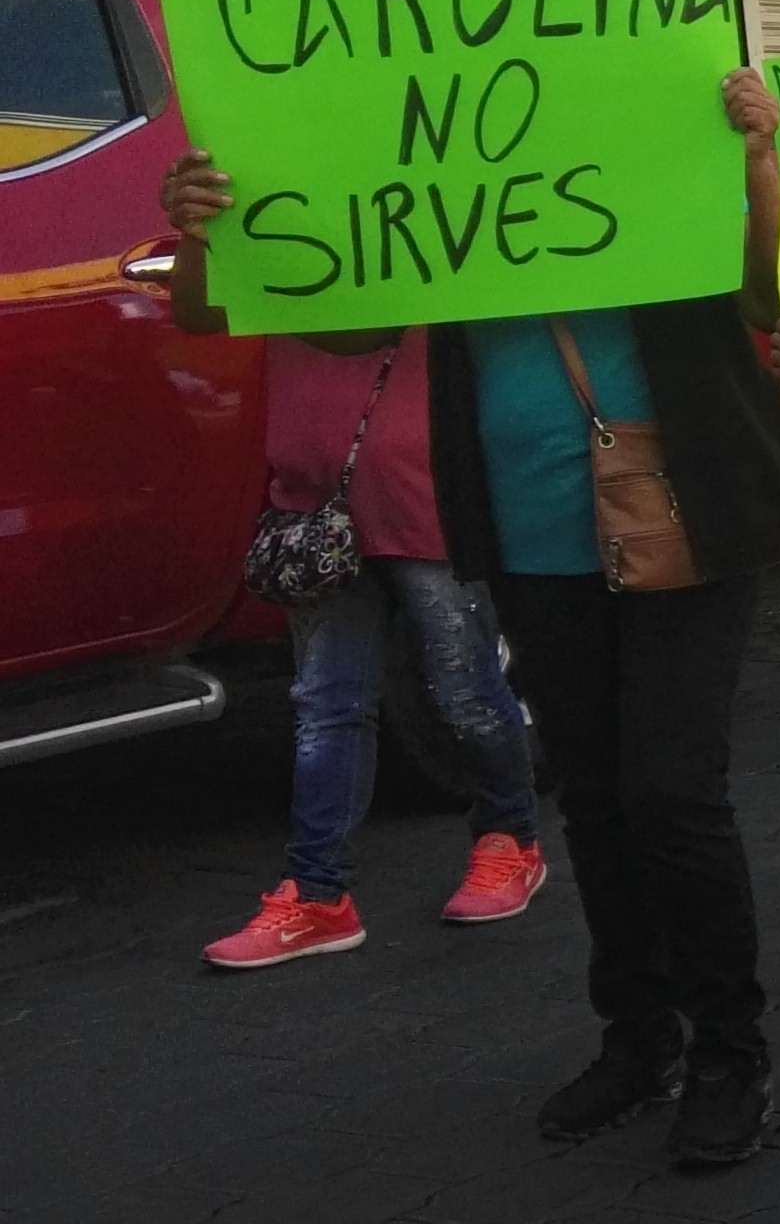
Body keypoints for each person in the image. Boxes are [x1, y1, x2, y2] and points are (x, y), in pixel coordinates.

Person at [175, 73, 780, 1163]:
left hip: (683, 521)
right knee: (598, 797)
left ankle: (730, 1055)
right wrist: (202, 233)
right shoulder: (450, 207)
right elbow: (299, 315)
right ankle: (639, 1039)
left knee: (672, 792)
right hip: (529, 535)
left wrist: (754, 158)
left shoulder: (662, 172)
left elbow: (764, 296)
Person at [148, 201, 545, 970]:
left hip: (424, 491)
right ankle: (318, 890)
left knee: (462, 691)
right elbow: (199, 310)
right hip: (316, 496)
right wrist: (198, 228)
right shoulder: (278, 210)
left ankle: (510, 837)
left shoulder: (433, 209)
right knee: (327, 705)